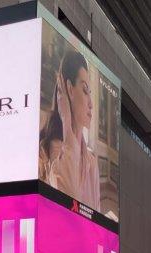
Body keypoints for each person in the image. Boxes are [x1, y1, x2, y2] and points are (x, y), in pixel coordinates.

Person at [38, 49, 101, 212]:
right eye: (85, 90)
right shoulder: (44, 154)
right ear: (69, 89)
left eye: (90, 93)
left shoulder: (91, 163)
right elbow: (68, 201)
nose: (91, 103)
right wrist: (66, 122)